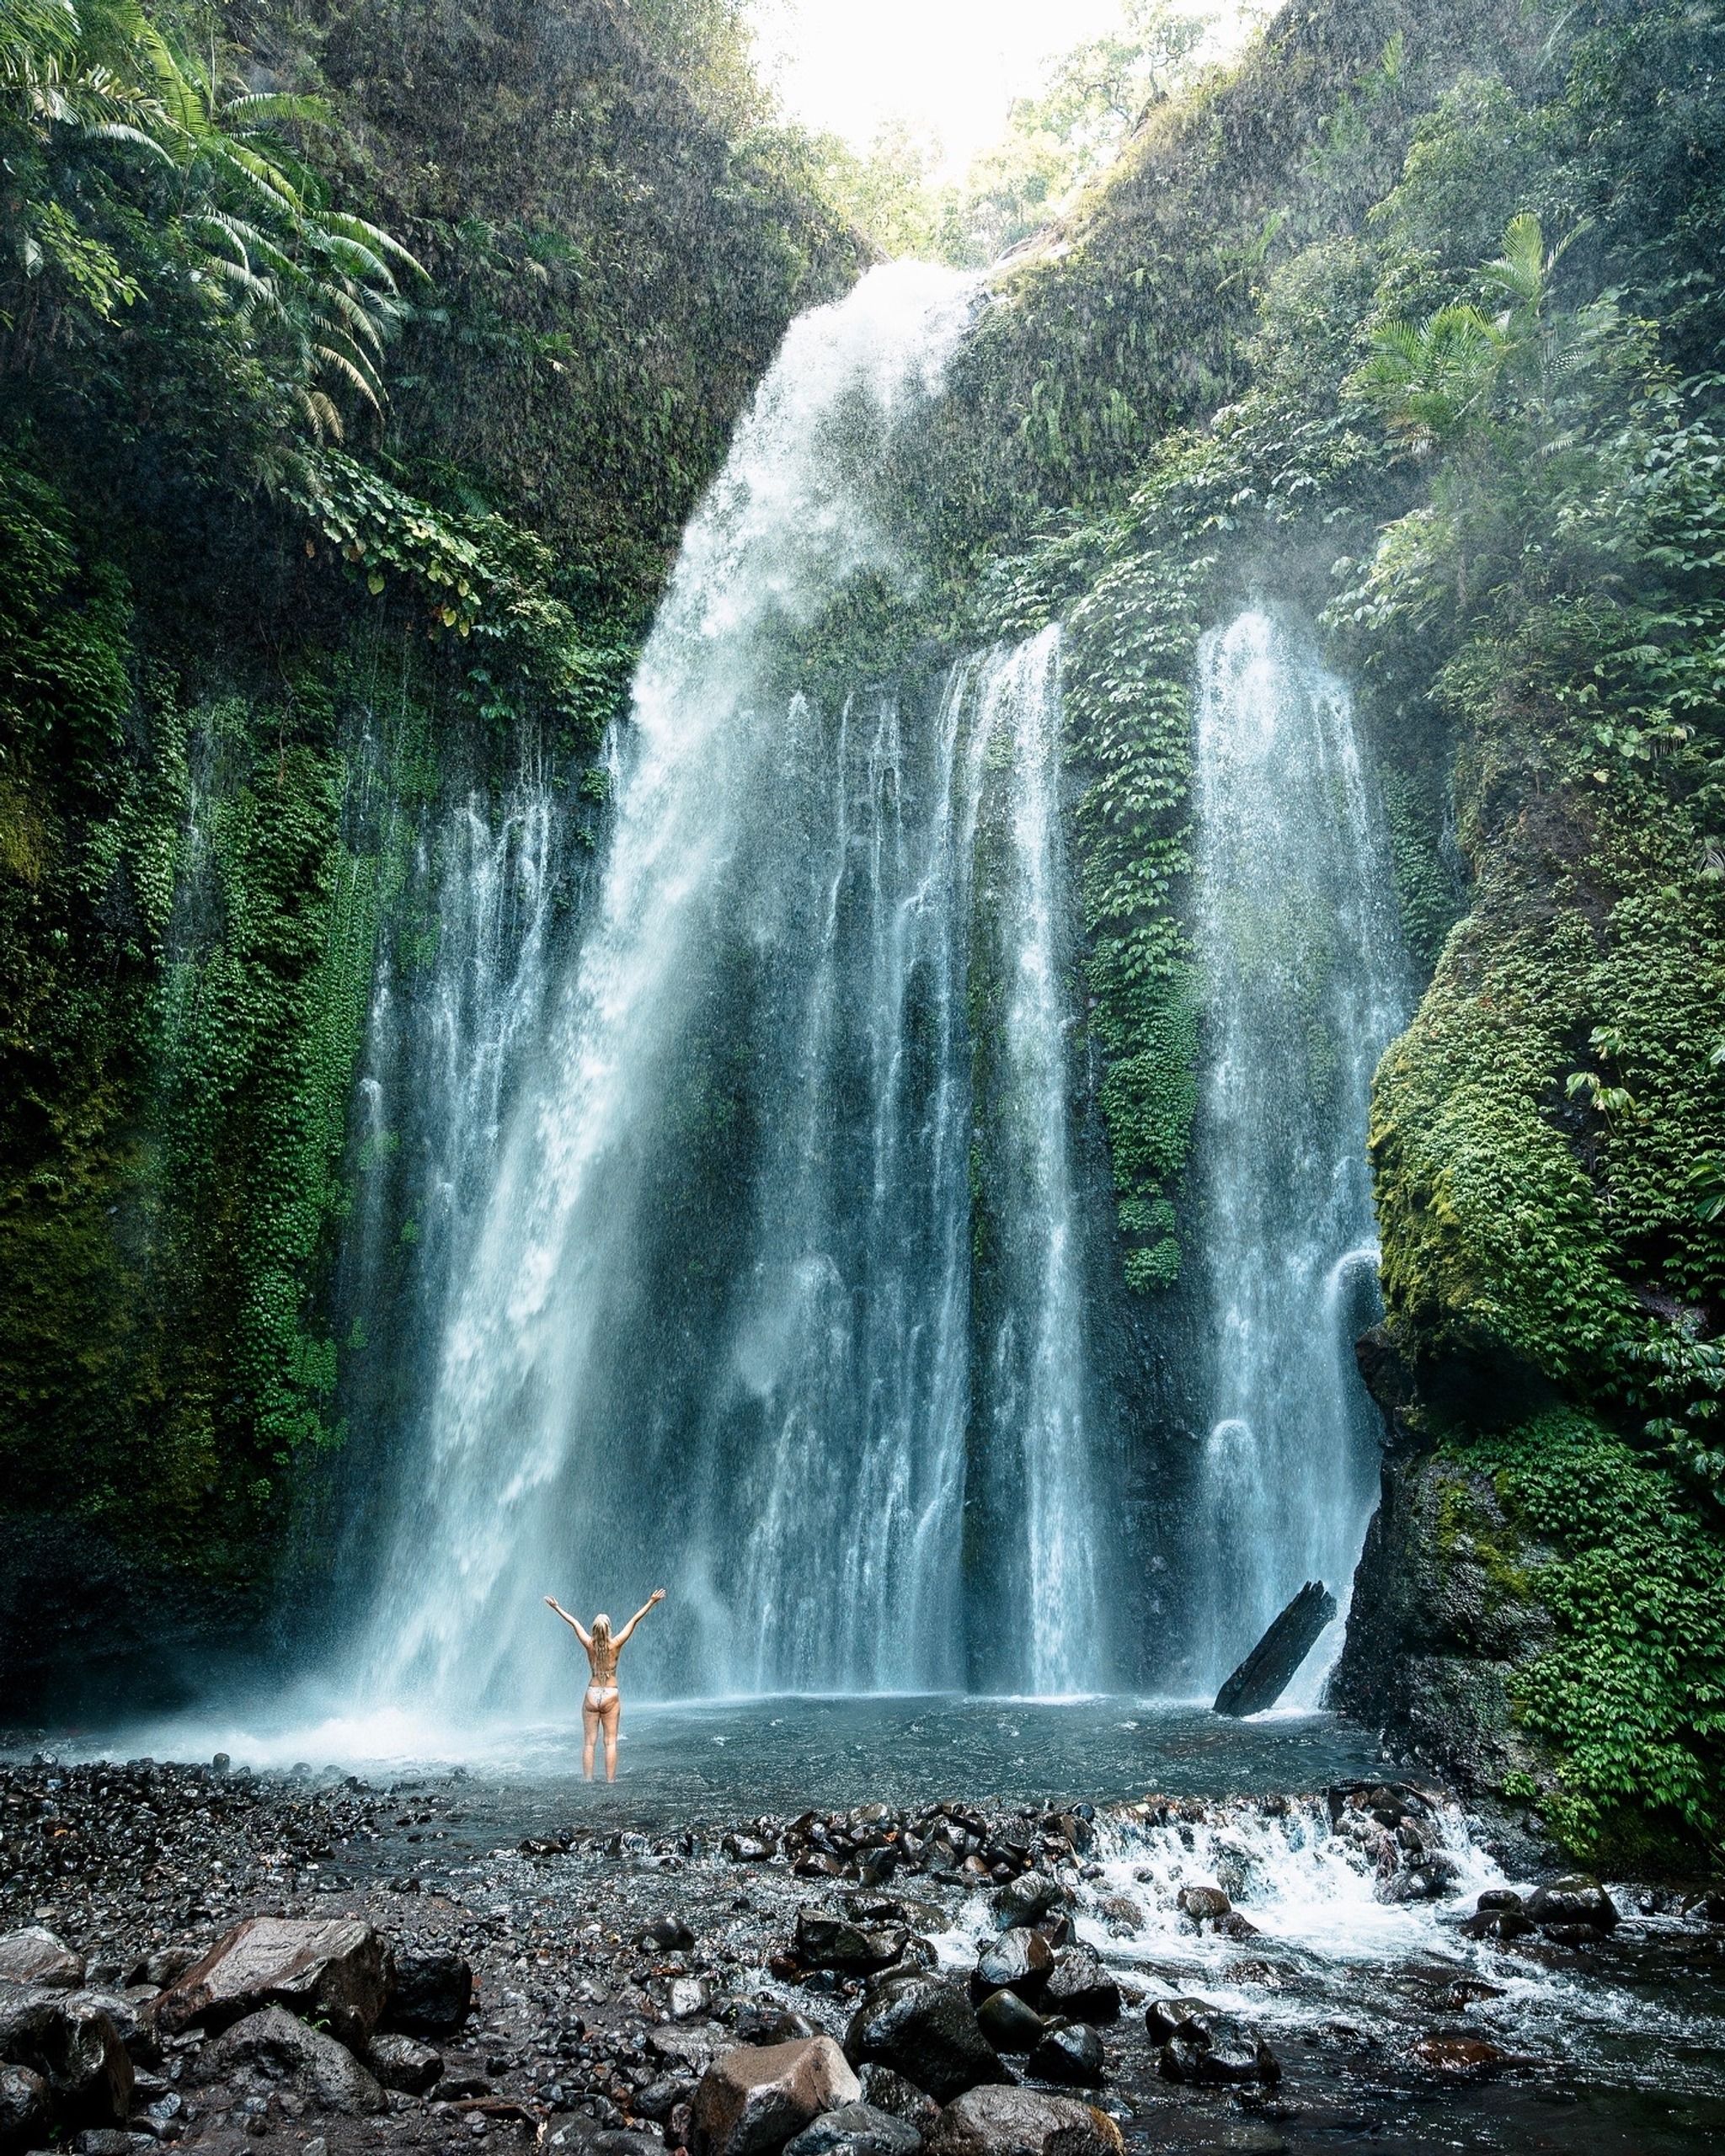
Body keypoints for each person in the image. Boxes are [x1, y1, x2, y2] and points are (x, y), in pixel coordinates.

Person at [543, 1587, 665, 1781]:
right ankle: (610, 1782)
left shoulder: (588, 1644)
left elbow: (574, 1623)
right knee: (610, 1743)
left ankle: (588, 1781)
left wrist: (557, 1608)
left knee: (589, 1744)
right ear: (608, 1628)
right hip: (610, 1694)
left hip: (592, 1694)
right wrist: (651, 1602)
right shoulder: (616, 1644)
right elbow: (634, 1620)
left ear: (594, 1629)